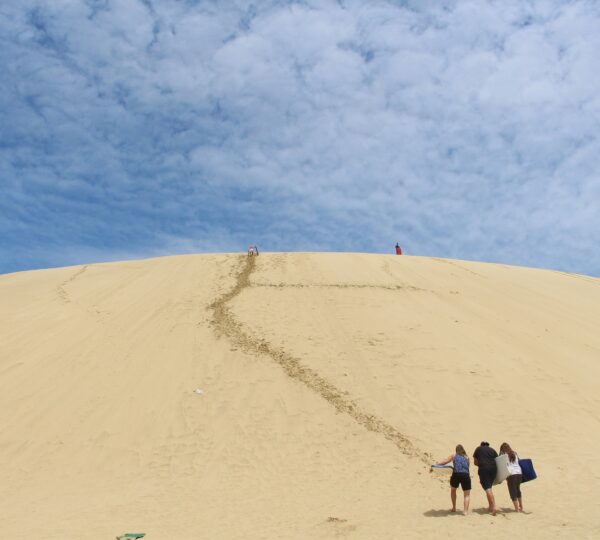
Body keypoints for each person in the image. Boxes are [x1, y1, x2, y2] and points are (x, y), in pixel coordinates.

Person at [435, 444, 471, 515]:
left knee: (453, 490)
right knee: (466, 495)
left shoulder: (454, 455)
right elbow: (468, 466)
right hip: (465, 475)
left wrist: (437, 464)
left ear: (456, 450)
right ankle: (465, 511)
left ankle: (454, 508)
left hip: (456, 474)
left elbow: (445, 461)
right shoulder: (467, 457)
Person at [473, 441, 498, 515]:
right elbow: (498, 461)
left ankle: (493, 507)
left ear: (481, 445)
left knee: (487, 488)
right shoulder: (492, 450)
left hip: (484, 469)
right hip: (494, 469)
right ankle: (490, 506)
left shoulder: (478, 449)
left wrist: (481, 464)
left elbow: (475, 462)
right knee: (489, 487)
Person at [500, 442, 523, 512]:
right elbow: (519, 461)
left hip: (511, 475)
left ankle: (516, 509)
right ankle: (521, 506)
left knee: (512, 492)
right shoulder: (514, 453)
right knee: (518, 490)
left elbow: (502, 465)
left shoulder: (504, 455)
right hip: (519, 473)